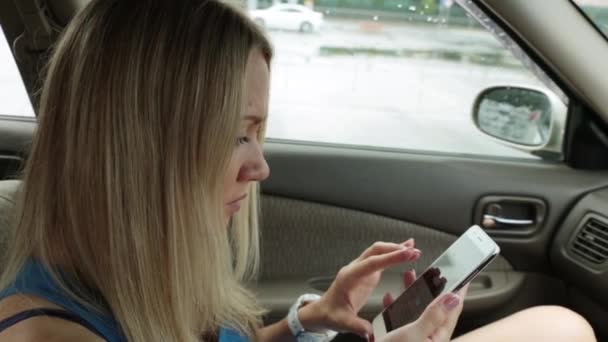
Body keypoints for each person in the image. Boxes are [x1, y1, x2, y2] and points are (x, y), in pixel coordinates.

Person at [0, 1, 597, 342]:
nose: (259, 167)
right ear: (143, 148)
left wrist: (306, 319)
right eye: (237, 135)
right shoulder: (51, 336)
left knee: (557, 326)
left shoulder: (135, 268)